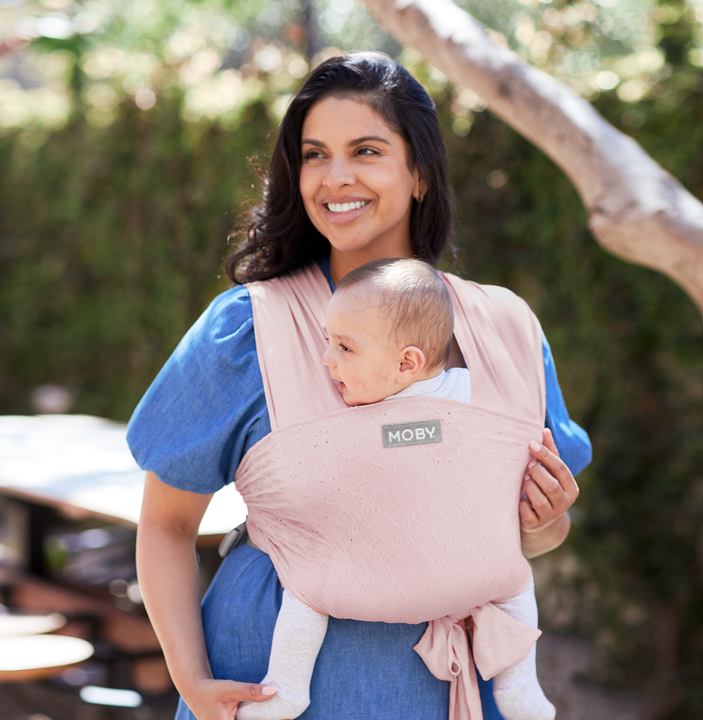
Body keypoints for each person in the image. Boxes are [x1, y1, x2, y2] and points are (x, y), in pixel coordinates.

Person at [129, 51, 590, 720]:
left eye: (366, 150)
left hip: (453, 686)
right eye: (314, 155)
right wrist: (192, 682)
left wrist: (546, 521)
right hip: (276, 683)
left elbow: (533, 535)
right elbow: (167, 526)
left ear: (421, 172)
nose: (335, 177)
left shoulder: (504, 328)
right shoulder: (248, 330)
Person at [236, 257, 555, 720]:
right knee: (516, 585)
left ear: (407, 363)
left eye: (344, 348)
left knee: (303, 595)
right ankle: (519, 689)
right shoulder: (477, 392)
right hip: (482, 574)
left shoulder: (343, 422)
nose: (326, 359)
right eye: (329, 342)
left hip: (349, 585)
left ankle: (286, 691)